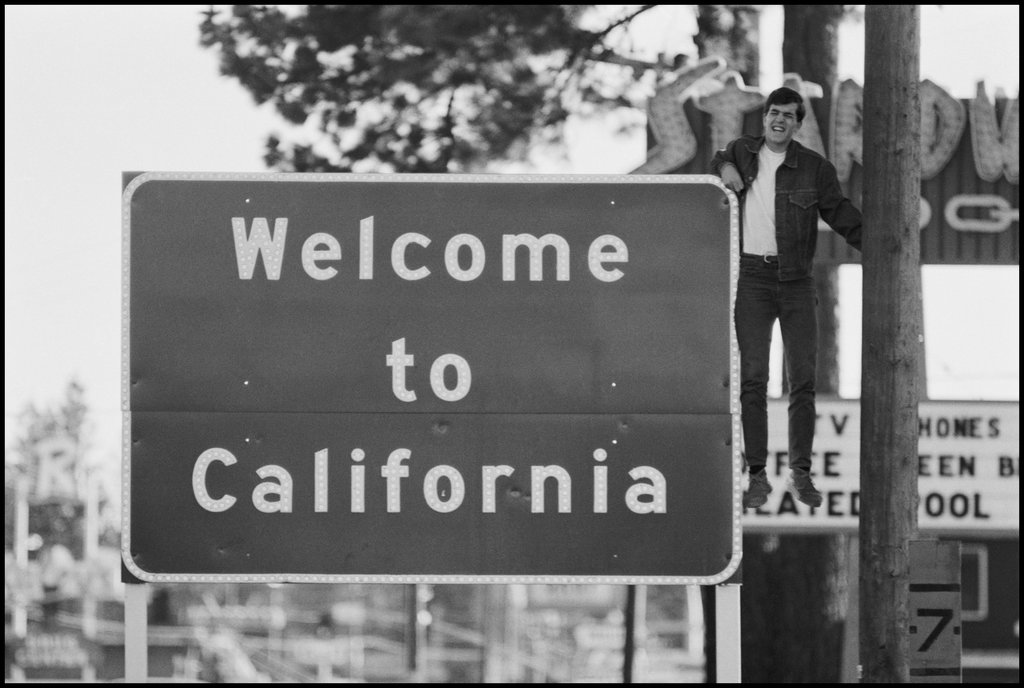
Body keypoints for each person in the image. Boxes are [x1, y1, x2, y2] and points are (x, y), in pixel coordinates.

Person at [710, 86, 862, 509]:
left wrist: (883, 244)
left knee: (803, 381)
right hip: (753, 280)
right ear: (765, 118)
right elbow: (718, 157)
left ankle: (801, 473)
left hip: (796, 281)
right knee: (753, 379)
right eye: (773, 113)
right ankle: (756, 476)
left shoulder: (815, 168)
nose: (778, 120)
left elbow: (840, 213)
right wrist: (724, 167)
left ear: (798, 123)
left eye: (787, 115)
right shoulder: (742, 152)